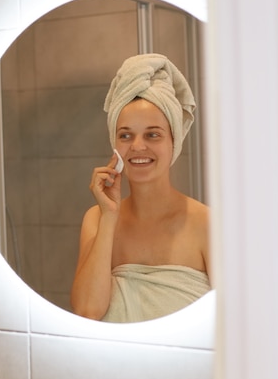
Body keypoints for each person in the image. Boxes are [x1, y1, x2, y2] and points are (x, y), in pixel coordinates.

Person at [70, 53, 211, 323]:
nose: (137, 146)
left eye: (152, 134)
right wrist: (109, 217)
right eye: (125, 135)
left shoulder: (207, 224)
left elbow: (231, 327)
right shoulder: (97, 219)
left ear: (174, 141)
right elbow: (88, 311)